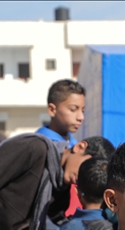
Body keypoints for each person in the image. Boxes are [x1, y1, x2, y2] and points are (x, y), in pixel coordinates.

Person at [37, 79, 86, 216]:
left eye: (83, 110)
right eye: (73, 109)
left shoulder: (77, 146)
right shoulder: (39, 147)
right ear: (52, 110)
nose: (81, 117)